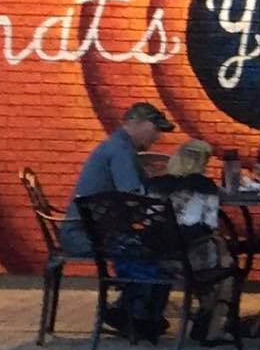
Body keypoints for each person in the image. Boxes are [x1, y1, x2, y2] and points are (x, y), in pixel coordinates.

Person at [59, 103, 175, 257]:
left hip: (83, 233)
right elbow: (132, 198)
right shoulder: (121, 151)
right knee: (162, 248)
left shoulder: (116, 145)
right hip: (87, 237)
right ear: (138, 123)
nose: (158, 136)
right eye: (156, 129)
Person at [156, 138, 235, 344]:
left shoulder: (155, 185)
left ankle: (204, 312)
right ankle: (212, 329)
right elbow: (210, 226)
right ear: (202, 162)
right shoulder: (204, 187)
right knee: (225, 268)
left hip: (157, 257)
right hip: (190, 257)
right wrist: (223, 250)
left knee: (206, 263)